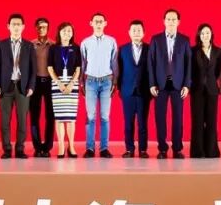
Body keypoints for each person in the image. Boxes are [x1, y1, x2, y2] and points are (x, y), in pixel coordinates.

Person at [148, 9, 192, 159]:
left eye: (174, 19)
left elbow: (188, 64)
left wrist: (187, 85)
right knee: (160, 118)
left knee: (178, 118)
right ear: (164, 21)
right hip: (160, 85)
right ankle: (162, 149)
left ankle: (177, 149)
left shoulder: (184, 40)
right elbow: (151, 63)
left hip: (178, 85)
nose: (171, 22)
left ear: (178, 22)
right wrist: (152, 84)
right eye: (168, 19)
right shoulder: (156, 39)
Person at [0, 14, 36, 159]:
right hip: (5, 87)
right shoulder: (1, 45)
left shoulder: (29, 46)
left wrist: (31, 86)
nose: (16, 27)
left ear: (23, 27)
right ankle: (6, 149)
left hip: (22, 87)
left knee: (22, 121)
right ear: (8, 26)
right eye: (13, 24)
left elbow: (33, 69)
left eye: (19, 24)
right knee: (4, 121)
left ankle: (19, 149)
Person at [80, 12, 118, 159]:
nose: (98, 23)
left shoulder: (111, 41)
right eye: (96, 21)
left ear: (105, 23)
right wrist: (81, 82)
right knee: (90, 116)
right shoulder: (85, 43)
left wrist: (115, 81)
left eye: (101, 21)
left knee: (104, 116)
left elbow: (114, 63)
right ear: (91, 23)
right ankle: (89, 148)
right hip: (90, 81)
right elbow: (83, 63)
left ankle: (104, 149)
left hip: (106, 81)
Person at [117, 20, 151, 158]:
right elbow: (119, 70)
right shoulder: (123, 49)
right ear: (129, 33)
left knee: (143, 123)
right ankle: (129, 149)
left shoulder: (150, 49)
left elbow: (152, 70)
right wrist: (119, 88)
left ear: (143, 33)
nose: (136, 32)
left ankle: (143, 150)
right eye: (134, 30)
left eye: (139, 30)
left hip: (144, 91)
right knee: (128, 123)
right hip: (127, 91)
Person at [189, 24, 221, 158]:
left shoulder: (218, 51)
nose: (205, 35)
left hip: (212, 90)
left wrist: (210, 82)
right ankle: (197, 151)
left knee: (211, 120)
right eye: (202, 33)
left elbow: (217, 71)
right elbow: (190, 70)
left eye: (207, 33)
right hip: (196, 90)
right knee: (197, 121)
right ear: (199, 35)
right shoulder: (193, 51)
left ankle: (211, 151)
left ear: (211, 34)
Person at [48, 22, 81, 158]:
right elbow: (50, 68)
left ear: (72, 33)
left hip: (72, 83)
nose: (67, 33)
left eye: (69, 31)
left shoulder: (76, 48)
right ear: (59, 33)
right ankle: (61, 146)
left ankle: (71, 146)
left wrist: (71, 83)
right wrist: (59, 83)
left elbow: (78, 68)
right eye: (64, 31)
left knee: (71, 118)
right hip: (57, 84)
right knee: (59, 117)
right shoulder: (53, 48)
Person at [30, 18, 56, 158]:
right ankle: (37, 147)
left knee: (50, 116)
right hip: (35, 83)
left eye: (44, 27)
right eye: (39, 27)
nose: (42, 29)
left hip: (50, 82)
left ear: (48, 28)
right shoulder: (31, 45)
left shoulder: (53, 45)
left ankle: (47, 147)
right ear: (36, 28)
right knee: (34, 116)